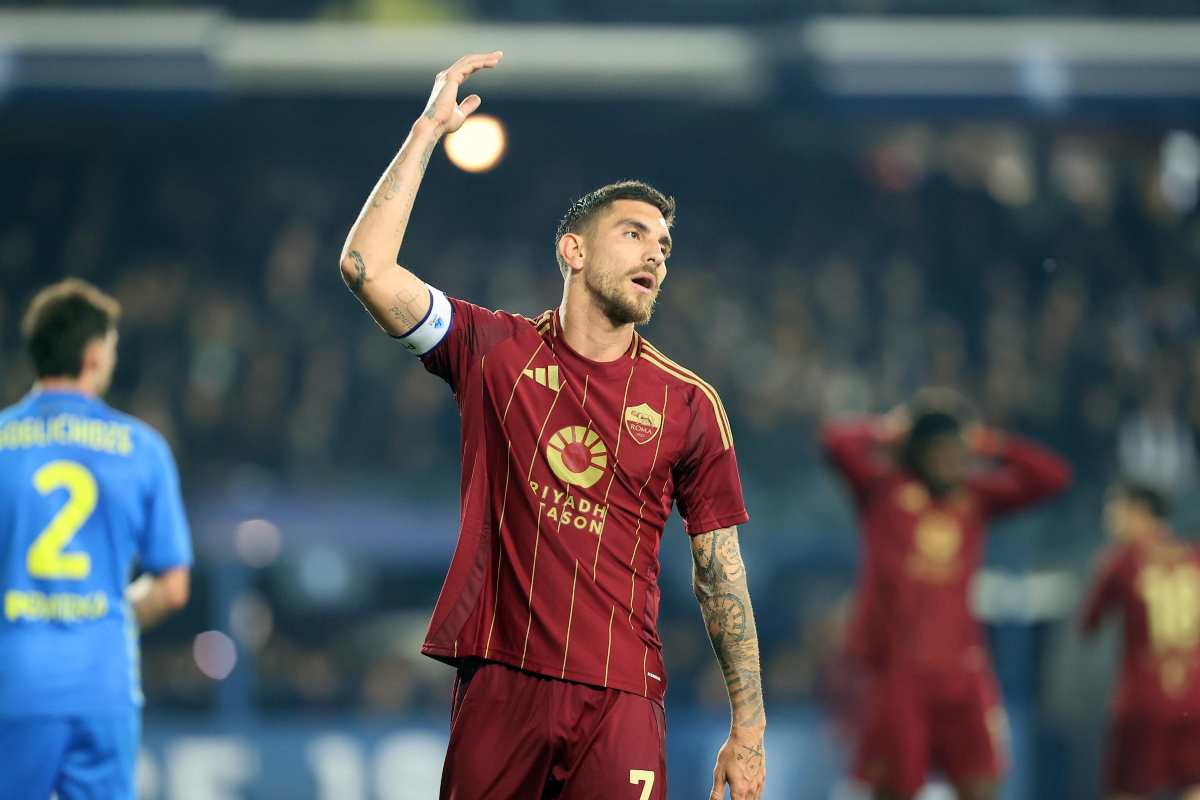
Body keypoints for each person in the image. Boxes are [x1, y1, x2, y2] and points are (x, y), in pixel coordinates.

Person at [338, 52, 765, 800]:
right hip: (500, 684)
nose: (656, 255)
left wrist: (749, 729)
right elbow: (366, 268)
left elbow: (719, 571)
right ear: (573, 250)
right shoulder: (492, 351)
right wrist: (427, 131)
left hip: (621, 699)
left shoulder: (689, 404)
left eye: (664, 246)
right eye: (634, 234)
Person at [821, 390, 1071, 800]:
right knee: (897, 790)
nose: (951, 462)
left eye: (958, 452)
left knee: (983, 786)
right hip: (900, 673)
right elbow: (836, 442)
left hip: (963, 673)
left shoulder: (975, 498)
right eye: (939, 452)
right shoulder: (883, 492)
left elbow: (1052, 477)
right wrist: (890, 431)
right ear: (917, 453)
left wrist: (990, 442)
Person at [0, 279, 193, 800]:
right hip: (102, 681)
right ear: (93, 356)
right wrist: (106, 614)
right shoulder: (142, 449)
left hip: (14, 682)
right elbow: (173, 589)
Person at [1081, 483, 1200, 800]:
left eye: (1116, 511)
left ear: (1139, 513)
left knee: (1130, 789)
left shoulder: (1122, 562)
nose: (1110, 520)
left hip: (1143, 701)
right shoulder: (1195, 558)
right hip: (1195, 696)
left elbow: (1089, 623)